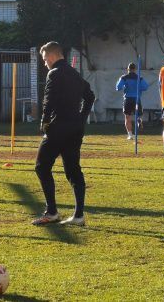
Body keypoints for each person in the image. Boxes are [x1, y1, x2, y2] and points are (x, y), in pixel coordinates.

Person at [32, 41, 95, 227]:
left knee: (41, 166)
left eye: (44, 59)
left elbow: (48, 100)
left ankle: (51, 212)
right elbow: (90, 96)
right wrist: (81, 118)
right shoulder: (75, 73)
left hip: (58, 126)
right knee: (73, 169)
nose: (44, 63)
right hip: (75, 128)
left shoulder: (54, 73)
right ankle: (78, 215)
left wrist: (44, 121)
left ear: (52, 56)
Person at [115, 62, 149, 140]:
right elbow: (146, 87)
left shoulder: (124, 77)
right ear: (135, 69)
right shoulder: (139, 78)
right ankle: (138, 120)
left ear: (128, 69)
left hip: (128, 99)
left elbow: (118, 87)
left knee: (127, 117)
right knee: (139, 114)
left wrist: (124, 86)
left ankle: (130, 135)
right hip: (137, 99)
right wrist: (138, 88)